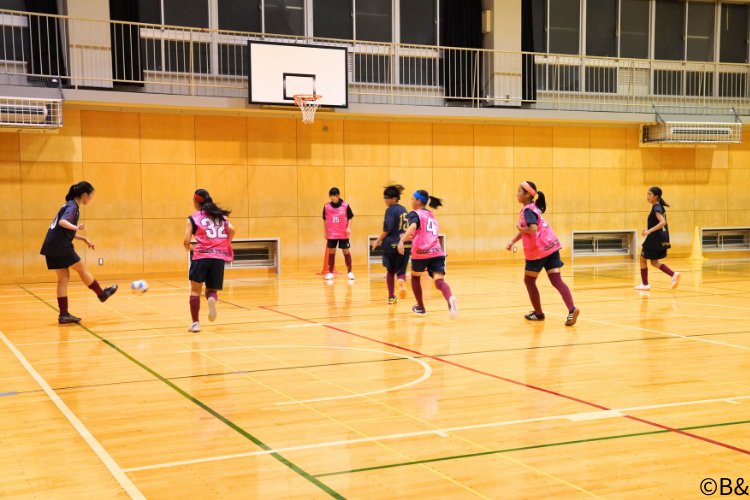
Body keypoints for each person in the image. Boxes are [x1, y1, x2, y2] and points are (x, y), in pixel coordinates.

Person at [40, 181, 118, 324]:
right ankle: (102, 294)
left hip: (51, 246)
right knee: (82, 269)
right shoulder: (72, 207)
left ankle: (63, 314)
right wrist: (76, 227)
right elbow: (63, 223)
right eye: (91, 195)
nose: (91, 198)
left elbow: (63, 230)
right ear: (85, 195)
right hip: (60, 246)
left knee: (63, 278)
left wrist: (83, 238)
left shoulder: (69, 205)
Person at [506, 181, 579, 326]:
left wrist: (521, 230)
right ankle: (572, 309)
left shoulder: (527, 210)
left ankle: (538, 314)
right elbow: (528, 229)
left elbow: (532, 229)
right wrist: (513, 241)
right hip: (552, 246)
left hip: (538, 251)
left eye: (519, 191)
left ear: (527, 194)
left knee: (529, 281)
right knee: (556, 280)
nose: (517, 194)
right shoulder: (534, 208)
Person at [398, 190, 457, 318]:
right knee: (439, 281)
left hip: (421, 252)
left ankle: (420, 307)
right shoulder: (431, 215)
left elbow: (413, 226)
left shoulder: (415, 213)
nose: (411, 201)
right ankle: (450, 298)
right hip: (436, 251)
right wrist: (409, 237)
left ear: (418, 201)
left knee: (415, 277)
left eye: (412, 199)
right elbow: (425, 234)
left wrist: (402, 240)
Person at [183, 189, 235, 333]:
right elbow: (232, 230)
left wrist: (189, 248)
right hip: (218, 258)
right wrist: (223, 244)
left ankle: (195, 324)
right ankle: (211, 299)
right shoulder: (220, 217)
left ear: (195, 201)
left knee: (195, 291)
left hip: (201, 257)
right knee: (211, 289)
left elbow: (186, 242)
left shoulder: (193, 218)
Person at [372, 183, 410, 304]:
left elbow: (387, 229)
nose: (385, 200)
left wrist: (377, 241)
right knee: (401, 271)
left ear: (394, 198)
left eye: (387, 198)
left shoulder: (390, 210)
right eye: (384, 198)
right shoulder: (404, 210)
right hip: (404, 245)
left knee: (390, 271)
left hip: (390, 245)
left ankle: (391, 297)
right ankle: (401, 282)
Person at [636, 187, 680, 291]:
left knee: (643, 259)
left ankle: (645, 284)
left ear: (656, 196)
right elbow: (659, 223)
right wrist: (648, 229)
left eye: (650, 194)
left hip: (655, 238)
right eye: (647, 194)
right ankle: (673, 275)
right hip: (660, 237)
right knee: (654, 262)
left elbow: (662, 222)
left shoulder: (656, 208)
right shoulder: (658, 207)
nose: (648, 196)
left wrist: (649, 231)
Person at [323, 187, 355, 280]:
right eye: (331, 196)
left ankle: (350, 272)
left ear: (338, 195)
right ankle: (330, 272)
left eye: (334, 195)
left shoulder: (345, 206)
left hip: (343, 233)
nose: (332, 197)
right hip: (332, 233)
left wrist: (348, 227)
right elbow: (325, 220)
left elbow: (350, 217)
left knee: (346, 251)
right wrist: (325, 232)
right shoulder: (326, 206)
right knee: (332, 252)